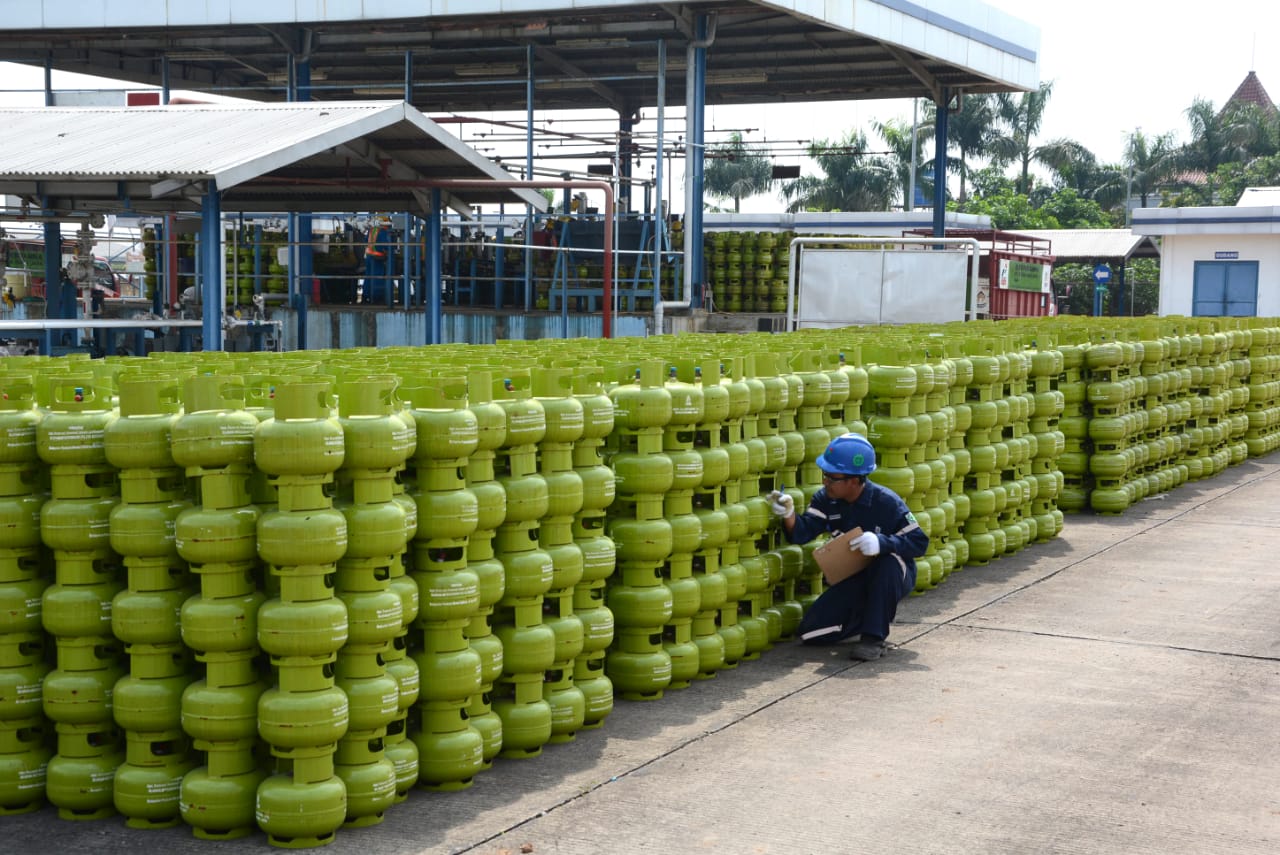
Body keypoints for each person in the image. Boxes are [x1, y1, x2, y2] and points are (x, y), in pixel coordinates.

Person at [769, 433, 928, 661]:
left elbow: (919, 542)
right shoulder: (826, 500)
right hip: (855, 575)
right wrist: (788, 514)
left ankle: (874, 637)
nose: (825, 482)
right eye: (825, 475)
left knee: (887, 563)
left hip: (893, 574)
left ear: (854, 480)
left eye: (832, 478)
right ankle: (869, 616)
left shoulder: (887, 503)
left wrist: (882, 543)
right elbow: (802, 533)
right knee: (811, 632)